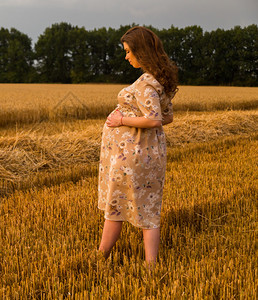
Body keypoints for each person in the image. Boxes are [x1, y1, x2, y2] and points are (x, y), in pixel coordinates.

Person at [97, 26, 178, 265]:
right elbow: (167, 117)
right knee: (149, 208)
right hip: (151, 153)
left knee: (116, 205)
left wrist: (121, 120)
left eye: (129, 51)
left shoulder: (144, 83)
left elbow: (154, 119)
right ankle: (151, 264)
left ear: (141, 51)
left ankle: (100, 255)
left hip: (132, 157)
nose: (126, 56)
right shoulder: (159, 81)